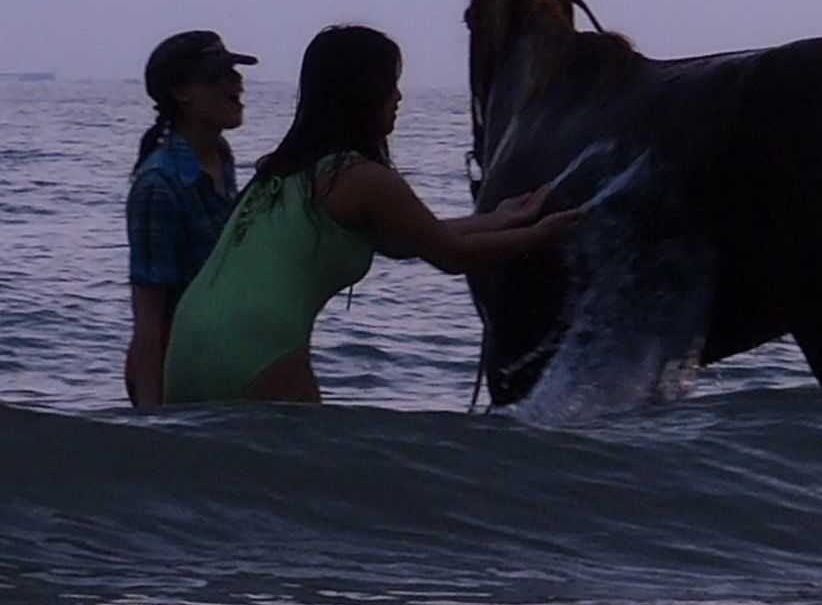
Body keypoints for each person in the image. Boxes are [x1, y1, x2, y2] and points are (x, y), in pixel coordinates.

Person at [163, 25, 585, 404]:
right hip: (254, 348)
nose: (399, 97)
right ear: (363, 91)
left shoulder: (282, 169)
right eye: (391, 84)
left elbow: (413, 239)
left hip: (186, 347)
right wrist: (542, 234)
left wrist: (505, 216)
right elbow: (451, 255)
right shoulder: (361, 178)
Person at [125, 30, 258, 408]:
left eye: (234, 72)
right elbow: (149, 315)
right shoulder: (159, 185)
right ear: (182, 92)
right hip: (170, 363)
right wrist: (152, 416)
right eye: (219, 75)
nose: (237, 83)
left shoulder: (220, 154)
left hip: (213, 354)